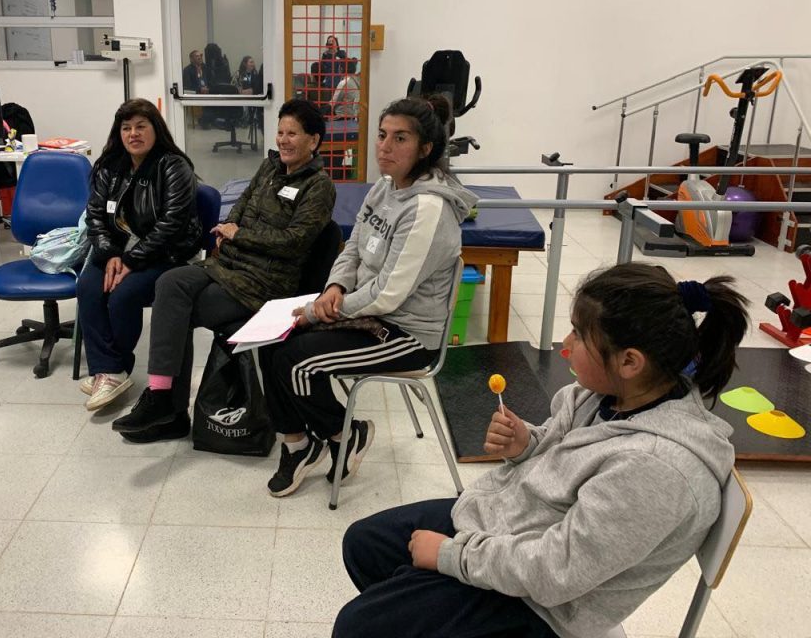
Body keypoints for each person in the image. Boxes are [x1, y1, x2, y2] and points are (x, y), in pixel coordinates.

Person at [333, 262, 750, 638]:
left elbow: (557, 571)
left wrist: (449, 556)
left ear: (629, 362)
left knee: (357, 627)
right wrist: (526, 443)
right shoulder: (611, 395)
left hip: (543, 607)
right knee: (366, 544)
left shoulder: (656, 471)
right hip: (514, 528)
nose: (565, 343)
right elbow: (561, 448)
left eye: (579, 334)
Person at [263, 95, 477, 498]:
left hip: (408, 333)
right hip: (367, 312)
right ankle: (297, 444)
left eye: (400, 138)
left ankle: (344, 434)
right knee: (272, 343)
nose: (384, 146)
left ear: (425, 149)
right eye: (382, 135)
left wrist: (318, 312)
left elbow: (388, 295)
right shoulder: (384, 187)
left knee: (296, 362)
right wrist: (334, 289)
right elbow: (353, 250)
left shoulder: (428, 209)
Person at [112, 99, 337, 442]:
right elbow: (239, 209)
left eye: (292, 134)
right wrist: (229, 229)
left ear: (314, 140)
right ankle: (162, 398)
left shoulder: (319, 186)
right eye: (280, 132)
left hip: (264, 283)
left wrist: (239, 235)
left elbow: (294, 242)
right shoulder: (269, 168)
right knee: (170, 282)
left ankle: (168, 408)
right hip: (228, 265)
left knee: (176, 313)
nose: (283, 140)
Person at [77, 99, 203, 411]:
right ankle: (109, 370)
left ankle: (111, 369)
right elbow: (95, 216)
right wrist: (109, 254)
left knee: (123, 294)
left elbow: (171, 225)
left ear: (155, 129)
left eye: (140, 127)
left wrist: (131, 261)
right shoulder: (109, 166)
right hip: (118, 250)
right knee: (89, 287)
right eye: (126, 128)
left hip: (165, 253)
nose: (133, 134)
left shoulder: (174, 166)